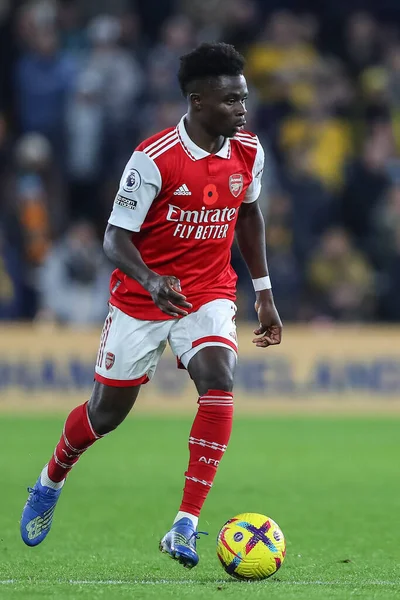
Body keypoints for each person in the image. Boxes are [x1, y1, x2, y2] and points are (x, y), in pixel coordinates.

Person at [20, 42, 283, 569]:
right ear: (198, 100)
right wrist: (149, 278)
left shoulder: (247, 151)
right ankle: (51, 478)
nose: (242, 109)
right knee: (105, 415)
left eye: (244, 99)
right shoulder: (154, 158)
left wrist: (264, 291)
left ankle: (184, 524)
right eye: (231, 100)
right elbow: (114, 239)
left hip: (207, 291)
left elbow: (249, 216)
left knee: (219, 379)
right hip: (141, 299)